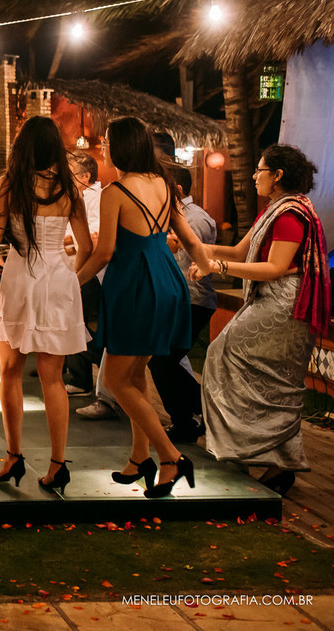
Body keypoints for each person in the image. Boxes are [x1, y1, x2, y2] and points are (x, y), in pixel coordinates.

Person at [77, 117, 209, 499]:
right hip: (167, 281)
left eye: (105, 143)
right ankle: (139, 457)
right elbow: (188, 237)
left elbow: (103, 253)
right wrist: (204, 263)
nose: (101, 148)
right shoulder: (164, 184)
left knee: (117, 378)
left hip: (134, 284)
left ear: (119, 147)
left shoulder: (115, 190)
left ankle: (170, 457)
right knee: (135, 373)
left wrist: (71, 283)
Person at [0, 117, 92, 493]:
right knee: (54, 379)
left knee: (11, 372)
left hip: (21, 280)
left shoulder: (9, 183)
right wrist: (72, 276)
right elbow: (86, 246)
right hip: (58, 281)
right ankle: (57, 464)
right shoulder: (70, 188)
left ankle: (13, 456)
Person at [198, 144, 329, 497]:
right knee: (241, 367)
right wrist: (198, 247)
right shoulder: (275, 210)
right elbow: (241, 251)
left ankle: (255, 453)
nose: (255, 175)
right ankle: (264, 457)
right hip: (271, 302)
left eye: (259, 170)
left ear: (278, 176)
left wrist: (217, 266)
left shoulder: (289, 214)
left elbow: (273, 268)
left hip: (283, 306)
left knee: (237, 363)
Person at [151, 165, 215, 445]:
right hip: (179, 300)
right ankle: (195, 416)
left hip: (193, 300)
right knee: (164, 363)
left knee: (163, 363)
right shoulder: (171, 215)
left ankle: (196, 417)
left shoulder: (195, 218)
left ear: (176, 190)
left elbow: (195, 262)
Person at [65, 153, 106, 403]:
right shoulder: (78, 196)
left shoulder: (96, 198)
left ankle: (91, 379)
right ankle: (80, 378)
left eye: (70, 173)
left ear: (85, 176)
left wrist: (61, 242)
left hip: (88, 272)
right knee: (74, 324)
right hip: (74, 267)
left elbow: (93, 235)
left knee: (80, 326)